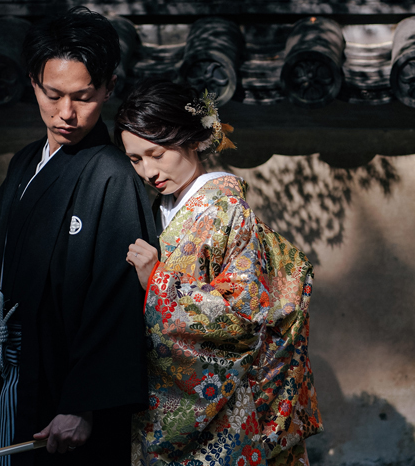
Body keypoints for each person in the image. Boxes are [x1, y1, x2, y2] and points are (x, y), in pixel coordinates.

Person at [0, 6, 159, 465]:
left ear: (110, 88)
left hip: (67, 388)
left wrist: (84, 402)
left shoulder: (112, 175)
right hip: (10, 369)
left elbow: (116, 301)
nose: (67, 114)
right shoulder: (23, 164)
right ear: (33, 82)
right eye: (52, 94)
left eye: (83, 96)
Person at [115, 80, 323, 466]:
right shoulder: (163, 207)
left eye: (157, 153)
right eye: (135, 159)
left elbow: (242, 313)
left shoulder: (223, 210)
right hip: (176, 396)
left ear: (193, 138)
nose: (149, 170)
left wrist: (156, 283)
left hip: (226, 411)